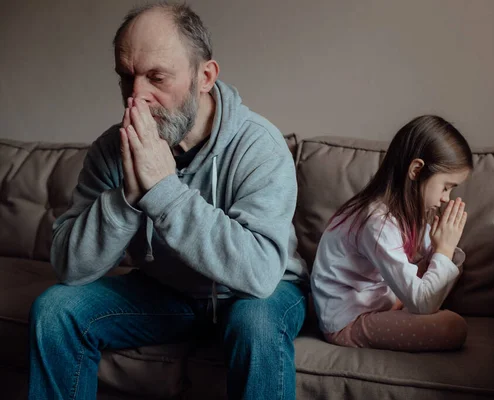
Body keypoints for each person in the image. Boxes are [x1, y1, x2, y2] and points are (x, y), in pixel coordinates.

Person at [28, 3, 308, 399]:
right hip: (169, 295)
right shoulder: (113, 149)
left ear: (204, 77)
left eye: (156, 77)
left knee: (255, 325)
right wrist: (128, 196)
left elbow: (260, 274)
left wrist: (163, 191)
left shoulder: (259, 145)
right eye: (127, 78)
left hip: (259, 293)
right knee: (56, 311)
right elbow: (69, 267)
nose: (137, 97)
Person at [310, 115, 472, 352]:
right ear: (416, 170)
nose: (445, 198)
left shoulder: (408, 211)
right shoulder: (376, 222)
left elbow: (433, 265)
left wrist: (442, 249)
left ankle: (407, 304)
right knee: (453, 327)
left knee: (436, 265)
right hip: (348, 319)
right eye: (445, 186)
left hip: (382, 299)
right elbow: (424, 302)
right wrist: (444, 251)